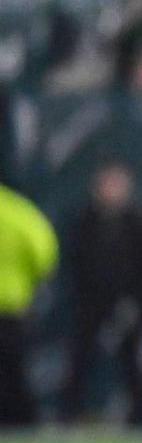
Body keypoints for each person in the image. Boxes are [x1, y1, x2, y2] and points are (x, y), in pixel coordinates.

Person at [60, 161, 142, 424]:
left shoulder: (138, 222)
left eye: (117, 183)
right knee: (81, 358)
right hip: (91, 301)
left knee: (132, 362)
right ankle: (70, 413)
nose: (111, 190)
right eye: (107, 183)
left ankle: (141, 418)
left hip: (126, 302)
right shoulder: (84, 220)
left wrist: (136, 301)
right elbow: (74, 262)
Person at [0, 181, 58, 427]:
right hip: (12, 307)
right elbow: (45, 253)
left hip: (12, 309)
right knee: (14, 373)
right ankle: (24, 427)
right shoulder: (17, 210)